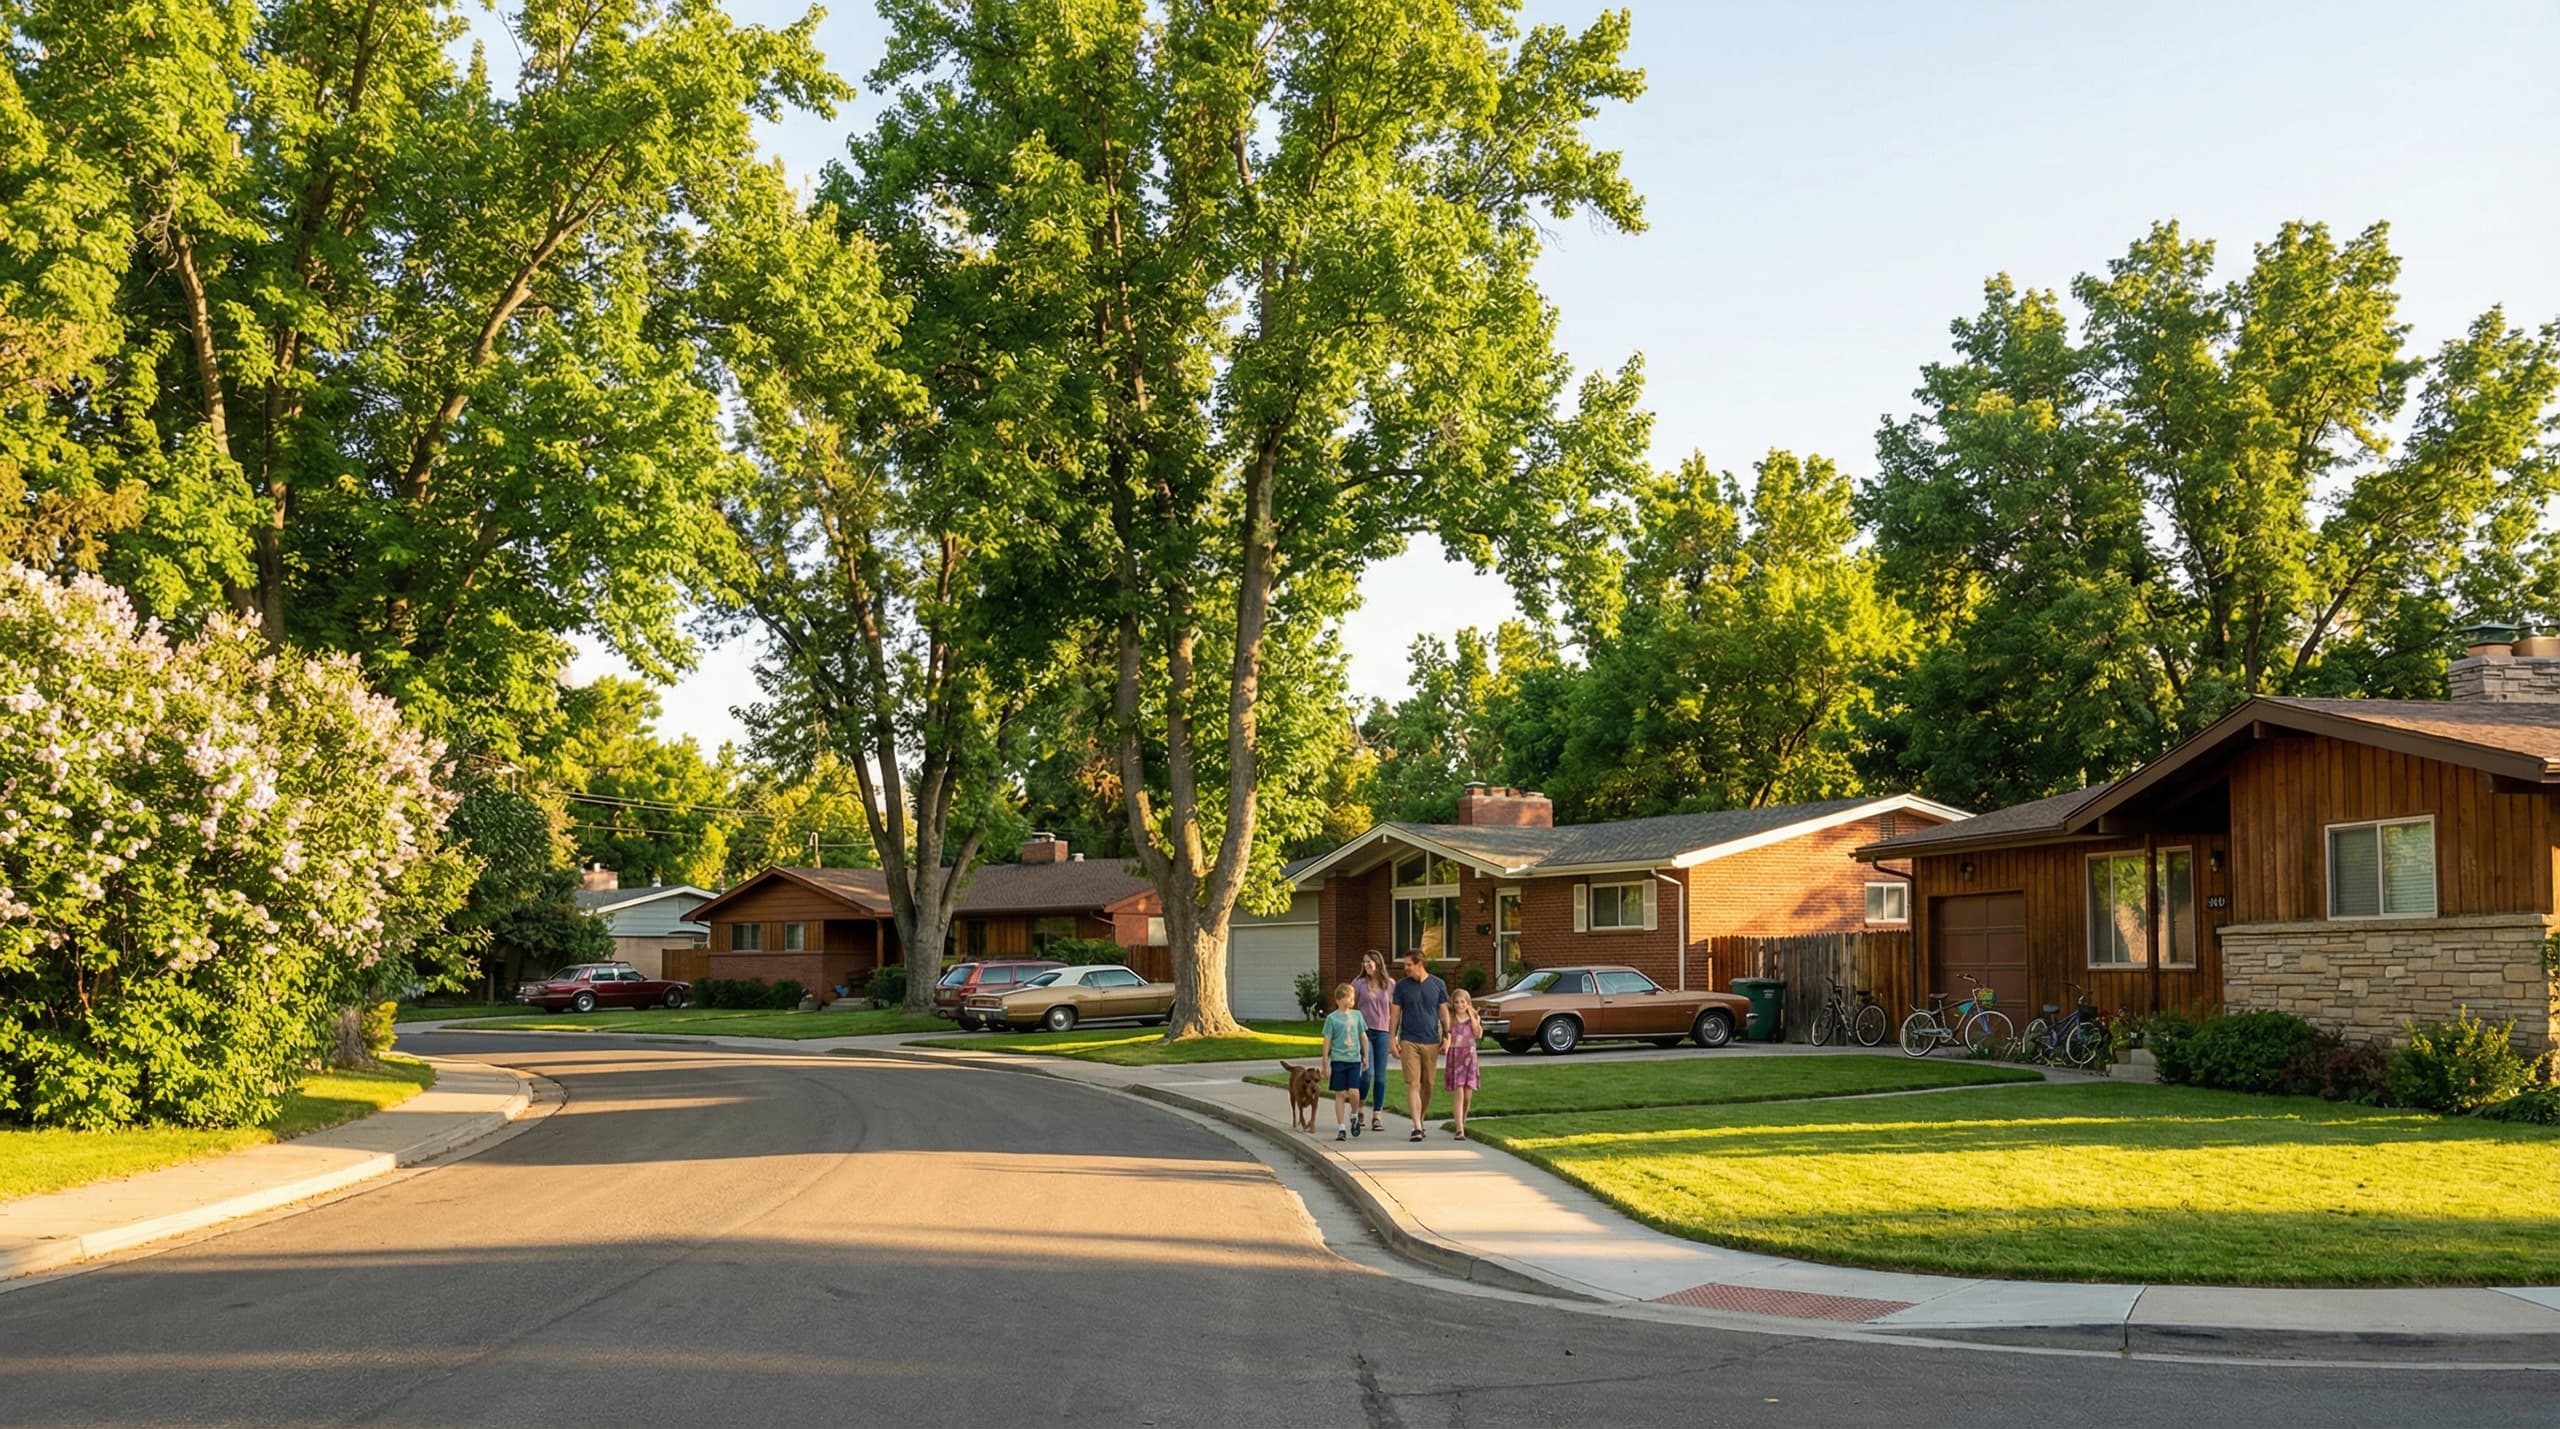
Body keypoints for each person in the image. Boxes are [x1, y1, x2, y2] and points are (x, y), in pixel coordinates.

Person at [1387, 951, 1452, 1142]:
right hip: (1409, 1040)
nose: (1405, 968)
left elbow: (1444, 1013)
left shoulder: (1438, 984)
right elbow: (1396, 1014)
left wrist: (1447, 1036)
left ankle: (1420, 1118)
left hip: (1432, 1040)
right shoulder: (1401, 987)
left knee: (1428, 1085)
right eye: (1405, 964)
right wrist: (1392, 1039)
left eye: (1409, 964)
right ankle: (1416, 1126)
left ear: (1420, 963)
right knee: (1413, 1083)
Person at [1353, 951, 1396, 1133]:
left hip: (1383, 1032)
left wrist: (1394, 1035)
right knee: (1367, 1073)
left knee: (1380, 1076)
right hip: (1364, 1032)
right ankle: (1360, 1107)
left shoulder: (1390, 984)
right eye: (1364, 962)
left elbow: (1394, 1011)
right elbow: (1350, 1006)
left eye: (1369, 962)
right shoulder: (1358, 984)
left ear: (1378, 963)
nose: (1366, 965)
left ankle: (1377, 1114)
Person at [1321, 983, 1368, 1141]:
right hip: (1338, 1060)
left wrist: (1365, 1055)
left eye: (1353, 998)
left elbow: (1363, 1036)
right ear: (1340, 999)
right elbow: (1327, 1040)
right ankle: (1341, 1127)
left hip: (1354, 1060)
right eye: (1349, 998)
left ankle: (1354, 1115)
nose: (1352, 1001)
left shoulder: (1357, 1016)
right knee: (1340, 1093)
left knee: (1354, 1092)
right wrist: (1325, 1062)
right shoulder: (1332, 1018)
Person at [1443, 989, 1482, 1140]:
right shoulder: (1450, 1018)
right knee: (1458, 1091)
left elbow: (1478, 1034)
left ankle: (1463, 1121)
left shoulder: (1473, 1016)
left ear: (1468, 1003)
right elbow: (1446, 1035)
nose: (1460, 1005)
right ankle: (1459, 1128)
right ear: (1453, 1003)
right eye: (1457, 1002)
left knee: (1467, 1095)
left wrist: (1473, 1018)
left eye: (1463, 1002)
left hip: (1470, 1056)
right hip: (1455, 1056)